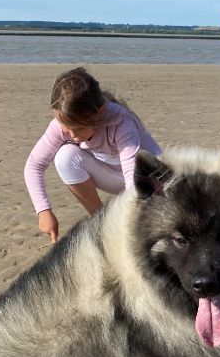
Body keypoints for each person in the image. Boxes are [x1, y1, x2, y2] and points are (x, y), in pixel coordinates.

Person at [23, 67, 162, 242]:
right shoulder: (62, 125)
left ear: (100, 112)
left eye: (79, 128)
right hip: (113, 174)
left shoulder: (122, 123)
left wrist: (130, 220)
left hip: (149, 178)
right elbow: (34, 166)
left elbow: (131, 178)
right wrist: (44, 211)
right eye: (66, 127)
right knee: (65, 157)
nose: (72, 135)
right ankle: (101, 222)